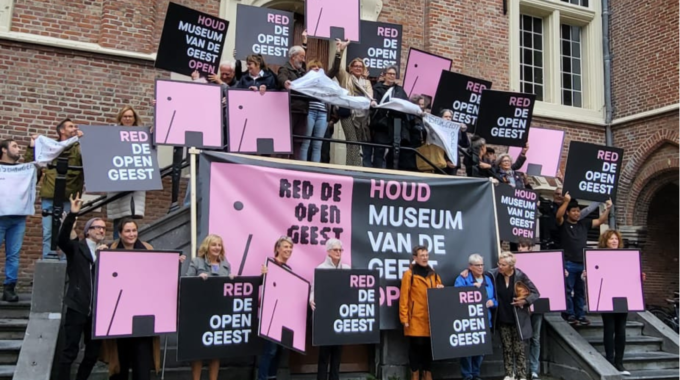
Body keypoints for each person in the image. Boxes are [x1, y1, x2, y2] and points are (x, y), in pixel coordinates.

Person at [100, 219, 177, 380]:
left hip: (143, 317)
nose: (131, 234)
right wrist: (100, 255)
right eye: (127, 231)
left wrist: (172, 264)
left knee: (141, 366)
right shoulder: (110, 251)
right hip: (119, 318)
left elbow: (157, 276)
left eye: (134, 230)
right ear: (120, 234)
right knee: (119, 365)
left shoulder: (148, 249)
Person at [57, 193, 107, 380]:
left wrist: (105, 257)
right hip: (78, 306)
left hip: (97, 311)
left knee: (93, 353)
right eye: (97, 228)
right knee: (69, 351)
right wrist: (72, 215)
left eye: (103, 228)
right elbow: (62, 240)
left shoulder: (107, 251)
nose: (101, 231)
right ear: (88, 231)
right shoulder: (76, 248)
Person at [25, 119, 83, 259]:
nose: (74, 128)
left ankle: (66, 266)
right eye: (70, 126)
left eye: (75, 126)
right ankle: (47, 261)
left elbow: (88, 160)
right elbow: (30, 164)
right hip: (50, 194)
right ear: (61, 130)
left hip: (70, 197)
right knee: (48, 233)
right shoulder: (49, 146)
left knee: (68, 232)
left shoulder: (78, 146)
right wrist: (32, 146)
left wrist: (84, 142)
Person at [593, 229, 646, 376]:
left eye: (616, 239)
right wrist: (588, 275)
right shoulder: (598, 256)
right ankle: (610, 360)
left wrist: (639, 276)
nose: (614, 241)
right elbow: (594, 275)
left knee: (621, 330)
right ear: (605, 241)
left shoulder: (625, 257)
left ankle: (619, 362)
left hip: (622, 298)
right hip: (606, 297)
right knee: (609, 329)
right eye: (611, 239)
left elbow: (630, 274)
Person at [556, 193, 612, 326]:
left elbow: (600, 221)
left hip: (582, 263)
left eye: (578, 211)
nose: (576, 213)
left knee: (580, 291)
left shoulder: (584, 224)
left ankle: (580, 315)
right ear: (568, 213)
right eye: (573, 211)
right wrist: (566, 202)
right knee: (568, 290)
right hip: (568, 262)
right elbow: (558, 216)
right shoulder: (563, 224)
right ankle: (570, 314)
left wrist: (608, 209)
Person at [185, 234, 233, 380]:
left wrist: (231, 279)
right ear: (207, 246)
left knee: (215, 351)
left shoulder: (225, 263)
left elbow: (228, 288)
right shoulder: (197, 262)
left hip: (218, 312)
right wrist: (197, 279)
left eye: (219, 245)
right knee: (198, 351)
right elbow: (187, 282)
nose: (217, 248)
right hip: (200, 312)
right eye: (214, 245)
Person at [489, 251, 540, 380]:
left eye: (503, 264)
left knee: (519, 348)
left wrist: (525, 301)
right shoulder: (494, 274)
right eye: (499, 263)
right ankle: (509, 374)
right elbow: (479, 273)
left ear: (511, 266)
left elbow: (535, 293)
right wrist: (466, 272)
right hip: (502, 316)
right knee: (506, 347)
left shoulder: (520, 275)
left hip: (518, 318)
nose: (500, 266)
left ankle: (521, 375)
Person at [327, 39, 374, 167]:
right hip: (347, 114)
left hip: (362, 117)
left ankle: (350, 169)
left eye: (360, 66)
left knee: (355, 144)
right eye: (356, 66)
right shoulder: (345, 77)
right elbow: (336, 68)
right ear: (351, 68)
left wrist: (372, 102)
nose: (358, 68)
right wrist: (340, 51)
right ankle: (355, 170)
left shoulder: (367, 82)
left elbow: (370, 97)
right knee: (352, 141)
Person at [399, 245, 443, 380]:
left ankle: (427, 372)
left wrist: (440, 288)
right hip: (415, 318)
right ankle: (415, 373)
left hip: (430, 318)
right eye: (422, 255)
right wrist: (404, 318)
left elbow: (440, 292)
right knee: (416, 347)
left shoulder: (433, 274)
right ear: (415, 258)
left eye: (426, 255)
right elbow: (404, 297)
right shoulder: (409, 274)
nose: (425, 258)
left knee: (429, 348)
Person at [309, 239, 350, 380]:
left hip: (341, 316)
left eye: (340, 250)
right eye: (335, 250)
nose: (338, 252)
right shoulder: (321, 269)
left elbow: (351, 290)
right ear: (328, 252)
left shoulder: (346, 269)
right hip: (326, 317)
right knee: (324, 354)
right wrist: (311, 299)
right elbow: (314, 290)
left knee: (337, 353)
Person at [257, 236, 295, 380]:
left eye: (290, 247)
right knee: (270, 350)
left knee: (279, 350)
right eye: (285, 247)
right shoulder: (270, 264)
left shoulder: (289, 269)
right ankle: (262, 378)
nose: (288, 250)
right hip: (270, 315)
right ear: (277, 248)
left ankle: (272, 377)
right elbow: (261, 282)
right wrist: (264, 275)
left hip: (282, 315)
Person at [454, 254, 496, 380]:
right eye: (477, 265)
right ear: (470, 267)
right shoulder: (462, 278)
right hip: (468, 320)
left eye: (482, 265)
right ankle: (467, 375)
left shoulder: (488, 279)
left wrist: (492, 302)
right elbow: (456, 295)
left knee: (481, 350)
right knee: (467, 351)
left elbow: (495, 298)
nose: (480, 268)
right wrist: (472, 288)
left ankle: (476, 374)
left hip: (484, 320)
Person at [107, 106, 146, 239]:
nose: (128, 119)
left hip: (135, 185)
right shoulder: (112, 134)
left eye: (130, 116)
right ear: (120, 118)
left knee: (129, 221)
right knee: (118, 220)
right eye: (125, 116)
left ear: (134, 118)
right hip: (117, 182)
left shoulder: (142, 135)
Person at [0, 139, 31, 302]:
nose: (18, 149)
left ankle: (9, 288)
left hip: (18, 217)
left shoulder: (24, 169)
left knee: (13, 255)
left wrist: (31, 149)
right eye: (14, 146)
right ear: (4, 150)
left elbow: (36, 169)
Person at [367, 65, 409, 168]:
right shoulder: (376, 88)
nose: (392, 76)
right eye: (389, 74)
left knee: (394, 152)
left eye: (394, 74)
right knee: (379, 151)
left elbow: (406, 105)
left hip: (396, 124)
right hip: (381, 124)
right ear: (384, 75)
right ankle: (377, 176)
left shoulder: (400, 90)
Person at [516, 238, 542, 380]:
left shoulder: (538, 262)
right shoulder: (514, 264)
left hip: (537, 305)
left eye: (523, 246)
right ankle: (520, 368)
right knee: (521, 338)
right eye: (519, 246)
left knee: (535, 339)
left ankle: (534, 369)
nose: (520, 249)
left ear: (530, 248)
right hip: (521, 306)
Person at [278, 45, 309, 160]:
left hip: (303, 110)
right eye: (302, 57)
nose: (303, 60)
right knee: (285, 140)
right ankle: (280, 165)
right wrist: (285, 82)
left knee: (298, 141)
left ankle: (295, 165)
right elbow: (281, 77)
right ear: (293, 57)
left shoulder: (301, 71)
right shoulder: (285, 69)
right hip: (290, 109)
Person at [299, 59, 331, 162]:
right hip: (310, 112)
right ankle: (302, 169)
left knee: (318, 144)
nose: (317, 68)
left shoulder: (326, 82)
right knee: (306, 142)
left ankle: (315, 169)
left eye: (319, 67)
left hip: (323, 114)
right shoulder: (306, 81)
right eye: (314, 67)